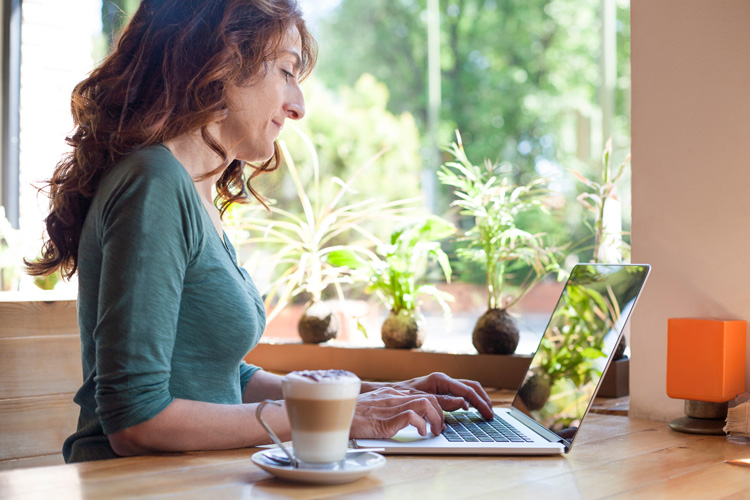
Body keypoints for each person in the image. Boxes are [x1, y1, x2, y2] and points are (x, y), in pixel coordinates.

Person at [27, 0, 494, 463]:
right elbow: (136, 419)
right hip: (135, 488)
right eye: (287, 72)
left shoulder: (191, 190)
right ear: (224, 60)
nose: (299, 106)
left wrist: (378, 394)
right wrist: (341, 416)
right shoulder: (154, 183)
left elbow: (220, 377)